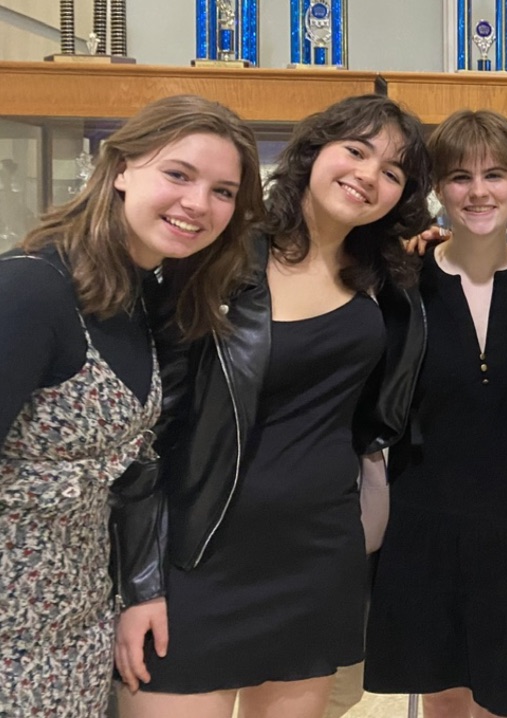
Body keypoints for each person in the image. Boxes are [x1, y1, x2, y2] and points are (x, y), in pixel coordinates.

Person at [119, 94, 431, 718]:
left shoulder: (386, 281)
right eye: (356, 150)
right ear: (314, 151)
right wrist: (140, 584)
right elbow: (145, 433)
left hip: (315, 556)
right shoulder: (220, 256)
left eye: (393, 172)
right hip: (197, 556)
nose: (369, 175)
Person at [0, 94, 263, 717]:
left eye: (223, 191)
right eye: (178, 174)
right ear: (121, 168)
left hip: (73, 622)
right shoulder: (31, 289)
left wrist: (136, 592)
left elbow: (134, 468)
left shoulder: (143, 294)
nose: (197, 203)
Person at [364, 109, 507, 718]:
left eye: (494, 175)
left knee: (503, 694)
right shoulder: (402, 283)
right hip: (425, 519)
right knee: (442, 690)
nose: (478, 192)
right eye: (460, 177)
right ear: (437, 188)